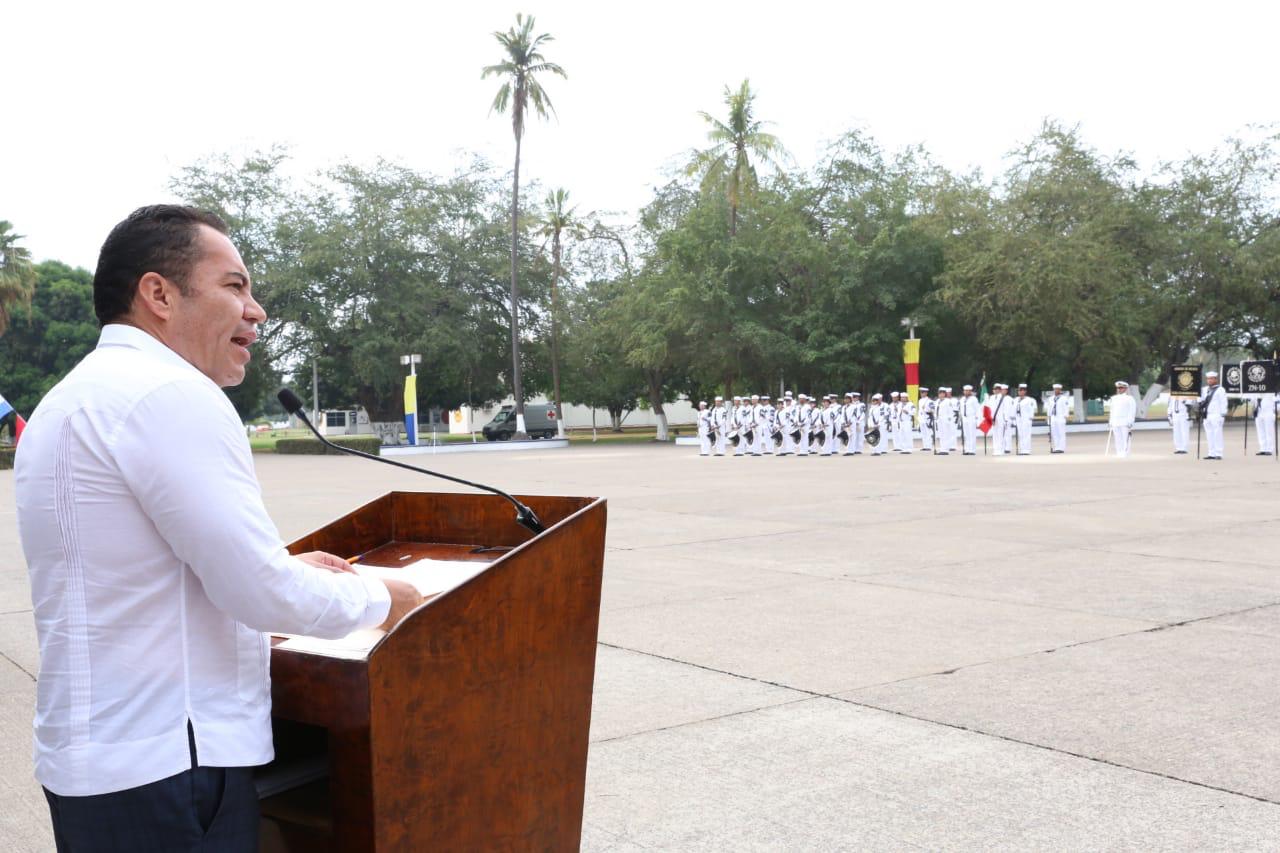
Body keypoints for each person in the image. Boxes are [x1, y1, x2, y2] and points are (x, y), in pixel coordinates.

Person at [15, 206, 423, 852]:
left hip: (99, 767)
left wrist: (288, 568)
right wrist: (387, 598)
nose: (256, 310)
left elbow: (144, 572)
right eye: (234, 286)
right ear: (158, 294)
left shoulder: (68, 400)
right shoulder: (169, 394)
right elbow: (259, 593)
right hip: (172, 773)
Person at [1201, 371, 1227, 460]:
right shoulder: (1204, 389)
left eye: (1211, 378)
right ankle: (1211, 453)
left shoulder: (1220, 389)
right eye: (1208, 379)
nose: (1209, 380)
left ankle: (1218, 453)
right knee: (1209, 435)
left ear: (1216, 379)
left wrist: (1223, 415)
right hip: (1207, 415)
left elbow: (1223, 402)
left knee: (1217, 434)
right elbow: (1201, 400)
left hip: (1216, 415)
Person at [1109, 380, 1137, 457]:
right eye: (1118, 388)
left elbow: (1132, 411)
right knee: (1117, 439)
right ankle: (1119, 452)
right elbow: (1112, 411)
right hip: (1115, 421)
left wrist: (1130, 421)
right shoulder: (1113, 398)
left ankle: (1125, 453)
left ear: (1125, 389)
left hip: (1125, 421)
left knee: (1125, 438)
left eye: (1121, 388)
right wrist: (1110, 421)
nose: (1119, 389)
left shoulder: (1129, 398)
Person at [1012, 384, 1036, 455]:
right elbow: (1013, 410)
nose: (1021, 392)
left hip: (1026, 419)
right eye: (1019, 390)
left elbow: (1031, 410)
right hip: (1018, 419)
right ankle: (1022, 449)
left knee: (1026, 434)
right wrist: (1014, 419)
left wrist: (1030, 419)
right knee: (1021, 434)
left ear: (1025, 391)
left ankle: (1026, 450)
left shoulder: (1029, 400)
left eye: (1022, 390)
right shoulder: (1016, 400)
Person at [1046, 384, 1069, 453]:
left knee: (1061, 432)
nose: (1056, 390)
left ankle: (1061, 448)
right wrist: (1048, 418)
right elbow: (1049, 409)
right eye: (1055, 389)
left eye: (1058, 389)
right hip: (1053, 417)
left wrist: (1065, 417)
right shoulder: (1050, 398)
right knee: (1054, 433)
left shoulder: (1064, 398)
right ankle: (1056, 447)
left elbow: (1066, 408)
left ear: (1060, 390)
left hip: (1060, 417)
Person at [1253, 391, 1276, 456]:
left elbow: (1276, 400)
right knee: (1260, 431)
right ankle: (1263, 448)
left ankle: (1269, 449)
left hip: (1268, 412)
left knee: (1269, 432)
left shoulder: (1271, 391)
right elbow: (1253, 400)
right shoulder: (1256, 391)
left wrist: (1274, 409)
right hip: (1259, 412)